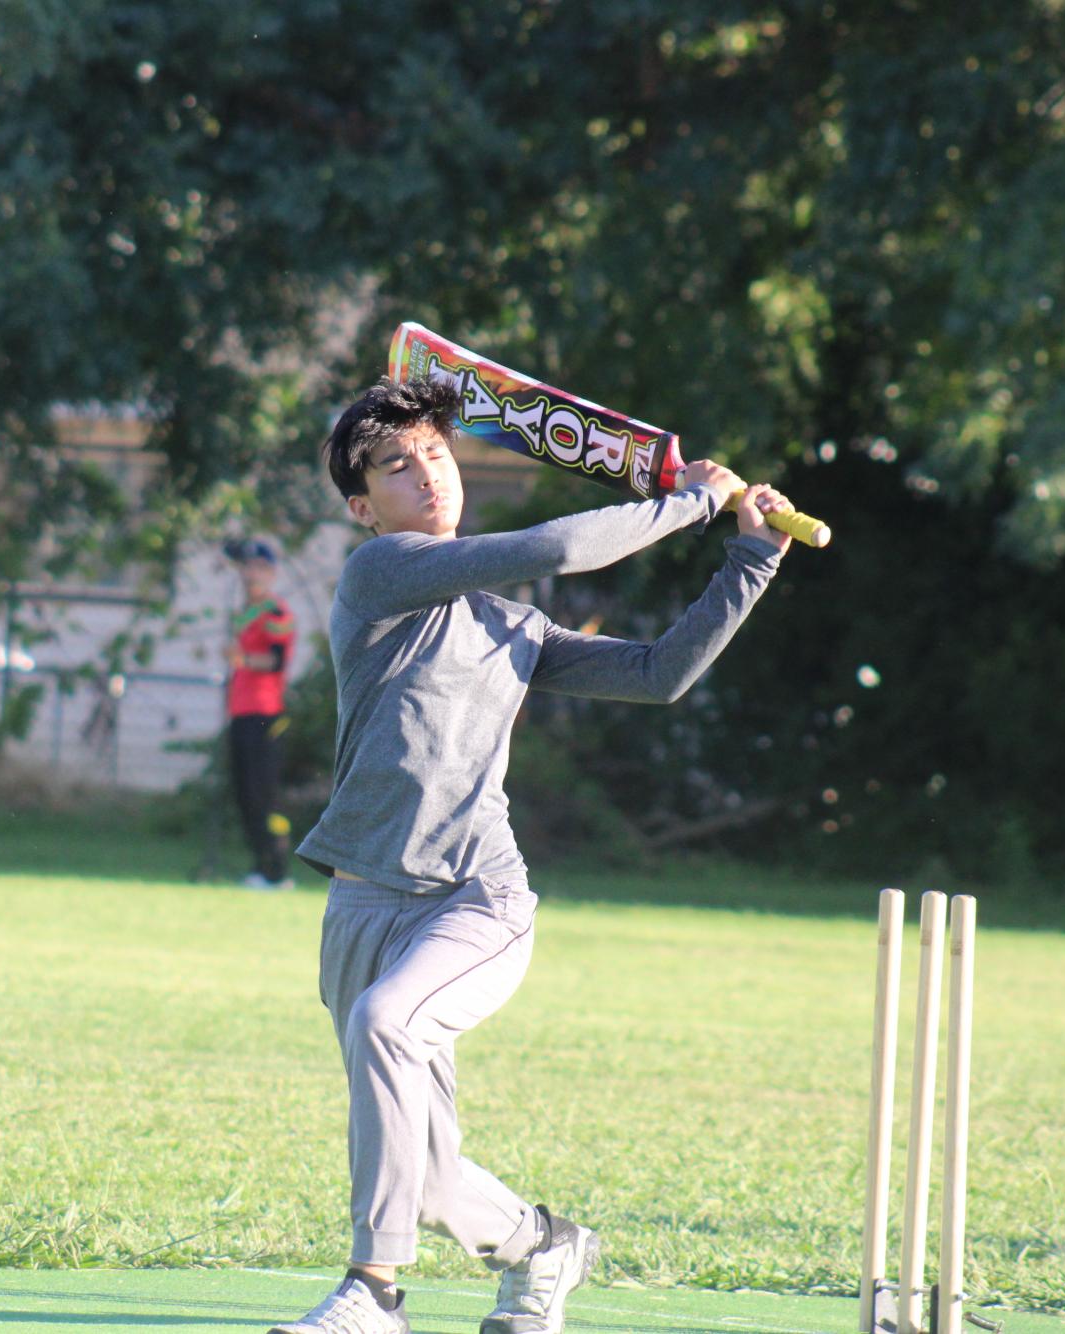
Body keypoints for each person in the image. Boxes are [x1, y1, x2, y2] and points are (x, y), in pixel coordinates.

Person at [269, 377, 793, 1334]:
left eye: (434, 453)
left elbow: (657, 674)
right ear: (361, 507)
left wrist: (749, 556)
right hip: (359, 903)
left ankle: (373, 1296)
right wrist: (685, 503)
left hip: (476, 902)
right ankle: (544, 1248)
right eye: (395, 466)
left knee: (389, 1024)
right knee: (419, 1172)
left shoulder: (512, 628)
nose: (424, 474)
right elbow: (551, 546)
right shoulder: (379, 576)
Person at [223, 537, 297, 890]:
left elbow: (277, 660)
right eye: (246, 567)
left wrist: (242, 660)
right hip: (240, 711)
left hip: (266, 713)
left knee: (264, 795)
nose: (250, 575)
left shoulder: (275, 613)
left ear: (270, 573)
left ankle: (277, 870)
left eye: (257, 568)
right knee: (245, 795)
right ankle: (259, 866)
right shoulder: (245, 613)